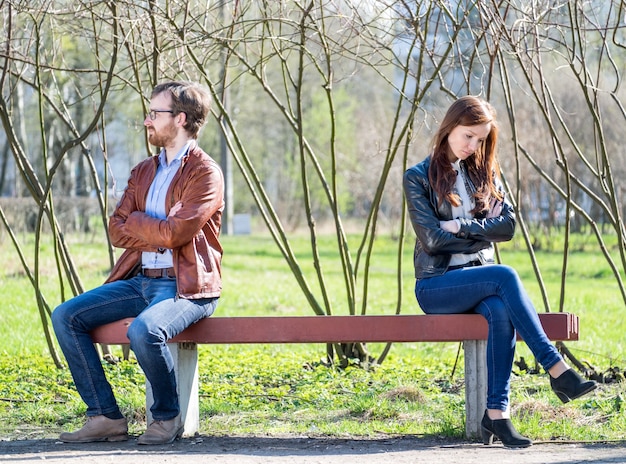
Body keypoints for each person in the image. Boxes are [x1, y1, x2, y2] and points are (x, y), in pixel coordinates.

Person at [402, 95, 596, 448]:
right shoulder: (418, 177)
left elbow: (506, 228)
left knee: (501, 307)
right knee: (504, 275)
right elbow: (431, 240)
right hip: (437, 285)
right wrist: (479, 231)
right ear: (449, 128)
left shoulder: (484, 173)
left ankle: (497, 415)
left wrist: (459, 228)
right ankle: (556, 368)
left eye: (480, 139)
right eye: (467, 136)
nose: (472, 145)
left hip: (481, 282)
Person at [52, 81, 224, 445]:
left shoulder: (205, 173)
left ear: (179, 119)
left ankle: (166, 416)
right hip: (140, 279)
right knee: (66, 316)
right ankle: (105, 416)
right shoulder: (143, 171)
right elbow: (117, 230)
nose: (147, 121)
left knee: (144, 331)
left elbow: (179, 234)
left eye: (154, 114)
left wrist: (144, 222)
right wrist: (160, 226)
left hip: (185, 286)